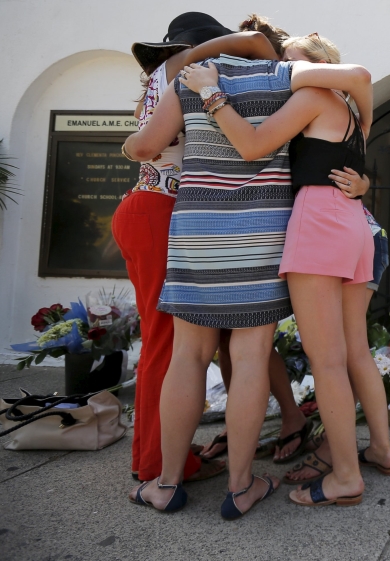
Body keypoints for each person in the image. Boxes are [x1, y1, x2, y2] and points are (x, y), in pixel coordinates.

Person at [123, 45, 372, 517]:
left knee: (187, 357)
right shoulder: (284, 78)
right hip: (261, 231)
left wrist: (133, 141)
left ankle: (167, 483)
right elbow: (353, 84)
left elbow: (144, 146)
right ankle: (240, 487)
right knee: (251, 357)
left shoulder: (189, 79)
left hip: (198, 227)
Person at [179, 33, 390, 508]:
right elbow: (344, 161)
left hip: (318, 223)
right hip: (354, 223)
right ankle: (380, 449)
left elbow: (253, 145)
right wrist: (363, 184)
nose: (281, 75)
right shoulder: (355, 112)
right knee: (351, 352)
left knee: (329, 361)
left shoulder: (314, 95)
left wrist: (211, 94)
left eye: (291, 66)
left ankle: (344, 477)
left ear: (319, 67)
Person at [113, 11, 280, 485]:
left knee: (166, 344)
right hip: (161, 211)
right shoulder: (186, 74)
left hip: (145, 208)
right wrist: (200, 54)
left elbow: (139, 147)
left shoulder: (159, 83)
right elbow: (147, 148)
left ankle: (156, 457)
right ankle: (157, 464)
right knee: (167, 346)